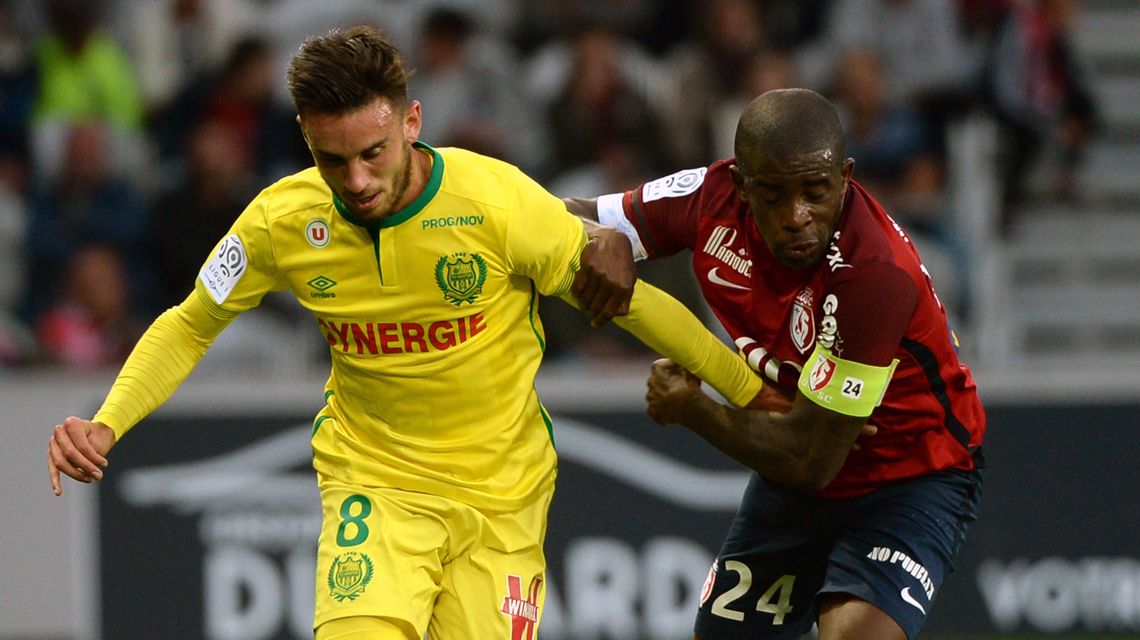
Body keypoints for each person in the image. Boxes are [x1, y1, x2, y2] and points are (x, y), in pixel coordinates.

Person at [45, 26, 769, 640]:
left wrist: (747, 388)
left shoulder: (495, 203)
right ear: (305, 138)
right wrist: (109, 422)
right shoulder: (282, 222)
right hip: (375, 486)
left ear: (412, 122)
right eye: (333, 160)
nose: (357, 181)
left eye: (374, 153)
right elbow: (190, 324)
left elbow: (631, 302)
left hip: (501, 499)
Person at [564, 88, 985, 640]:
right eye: (774, 195)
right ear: (741, 184)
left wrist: (692, 409)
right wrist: (602, 236)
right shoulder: (709, 198)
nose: (796, 217)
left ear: (845, 178)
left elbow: (811, 461)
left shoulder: (873, 275)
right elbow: (566, 214)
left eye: (816, 192)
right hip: (800, 467)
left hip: (910, 474)